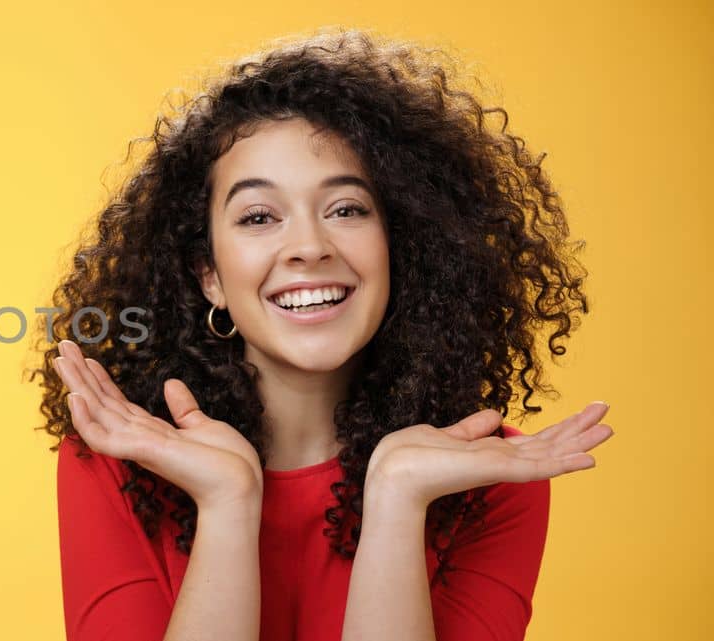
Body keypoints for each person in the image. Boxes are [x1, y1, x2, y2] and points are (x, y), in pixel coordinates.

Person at [30, 29, 616, 641]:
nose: (309, 247)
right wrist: (228, 505)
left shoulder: (486, 478)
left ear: (402, 246)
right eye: (259, 217)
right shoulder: (118, 462)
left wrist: (396, 500)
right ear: (210, 277)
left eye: (346, 209)